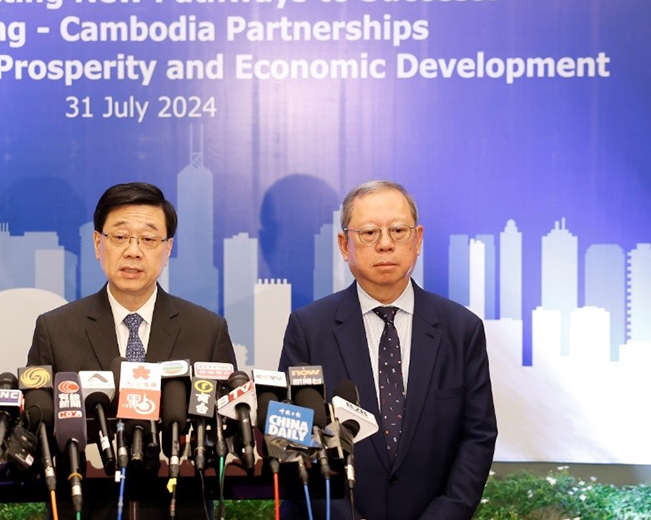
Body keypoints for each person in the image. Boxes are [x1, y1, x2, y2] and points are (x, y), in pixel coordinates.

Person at [279, 180, 497, 520]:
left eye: (398, 231)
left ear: (418, 239)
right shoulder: (308, 329)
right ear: (343, 244)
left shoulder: (461, 329)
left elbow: (478, 437)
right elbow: (294, 439)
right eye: (368, 233)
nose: (385, 244)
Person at [27, 181, 236, 518]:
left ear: (167, 250)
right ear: (98, 243)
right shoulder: (56, 329)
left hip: (179, 509)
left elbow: (224, 437)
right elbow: (42, 438)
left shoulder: (207, 330)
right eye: (120, 237)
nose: (133, 251)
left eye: (149, 239)